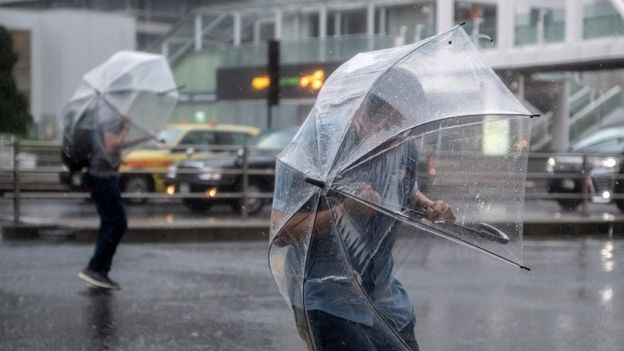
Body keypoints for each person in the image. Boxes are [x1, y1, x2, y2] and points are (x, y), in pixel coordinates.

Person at [272, 93, 454, 350]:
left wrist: (428, 207)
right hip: (327, 302)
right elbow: (281, 231)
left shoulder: (403, 146)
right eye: (387, 124)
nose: (395, 137)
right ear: (361, 114)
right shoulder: (319, 147)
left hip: (387, 302)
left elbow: (406, 190)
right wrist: (344, 211)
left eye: (402, 125)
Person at [77, 99, 151, 290]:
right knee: (118, 223)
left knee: (110, 223)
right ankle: (95, 269)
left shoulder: (108, 112)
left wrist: (143, 138)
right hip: (102, 177)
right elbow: (111, 145)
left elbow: (115, 145)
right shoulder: (109, 114)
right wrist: (126, 127)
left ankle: (100, 271)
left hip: (100, 176)